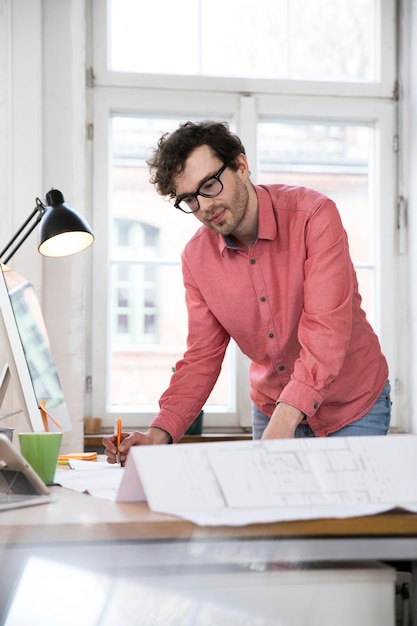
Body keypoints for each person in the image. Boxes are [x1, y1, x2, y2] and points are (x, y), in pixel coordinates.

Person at [103, 120, 391, 465]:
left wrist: (286, 420)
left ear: (241, 166)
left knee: (348, 518)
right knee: (271, 519)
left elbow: (326, 331)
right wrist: (158, 435)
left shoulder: (314, 216)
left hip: (351, 407)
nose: (204, 206)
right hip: (272, 410)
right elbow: (202, 358)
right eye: (189, 199)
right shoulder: (196, 259)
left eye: (209, 185)